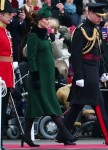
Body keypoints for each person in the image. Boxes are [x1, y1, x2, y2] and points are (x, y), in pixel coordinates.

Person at [55, 3, 108, 145]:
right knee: (98, 103)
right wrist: (79, 76)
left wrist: (102, 71)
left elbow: (99, 53)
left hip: (93, 69)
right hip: (85, 72)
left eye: (101, 16)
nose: (100, 19)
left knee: (77, 105)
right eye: (98, 16)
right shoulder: (81, 30)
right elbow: (75, 55)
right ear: (89, 13)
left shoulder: (96, 29)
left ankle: (62, 134)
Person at [22, 3, 76, 147]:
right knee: (52, 107)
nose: (48, 21)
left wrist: (53, 39)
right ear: (40, 20)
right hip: (39, 77)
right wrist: (34, 76)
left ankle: (26, 136)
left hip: (47, 77)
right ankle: (66, 135)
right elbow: (31, 57)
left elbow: (55, 55)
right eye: (46, 19)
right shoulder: (33, 35)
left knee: (34, 108)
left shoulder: (46, 35)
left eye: (49, 18)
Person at [0, 0, 16, 150]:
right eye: (8, 14)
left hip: (6, 75)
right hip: (0, 76)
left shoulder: (6, 30)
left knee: (2, 110)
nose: (11, 16)